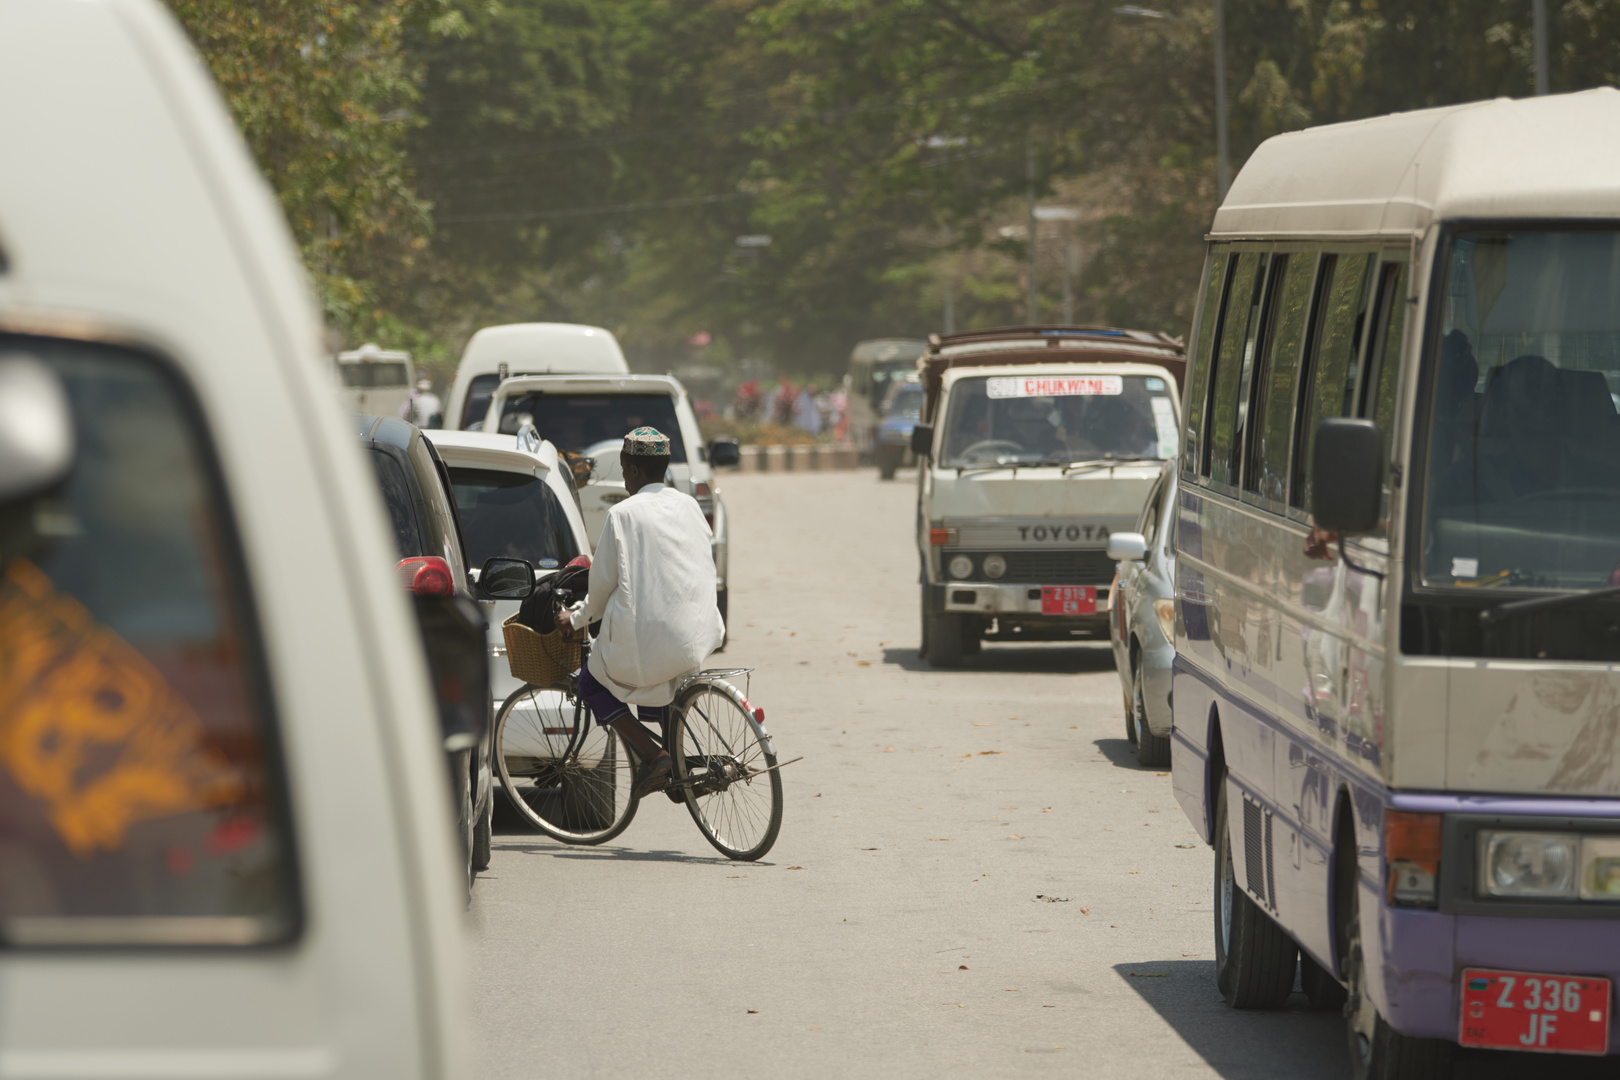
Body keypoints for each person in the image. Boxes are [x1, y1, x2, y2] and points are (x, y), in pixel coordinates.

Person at [554, 427, 726, 795]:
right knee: (662, 676)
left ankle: (654, 755)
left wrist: (577, 618)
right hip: (698, 635)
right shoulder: (688, 504)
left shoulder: (622, 514)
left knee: (590, 682)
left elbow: (599, 590)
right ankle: (678, 767)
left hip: (650, 645)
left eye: (622, 469)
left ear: (631, 470)